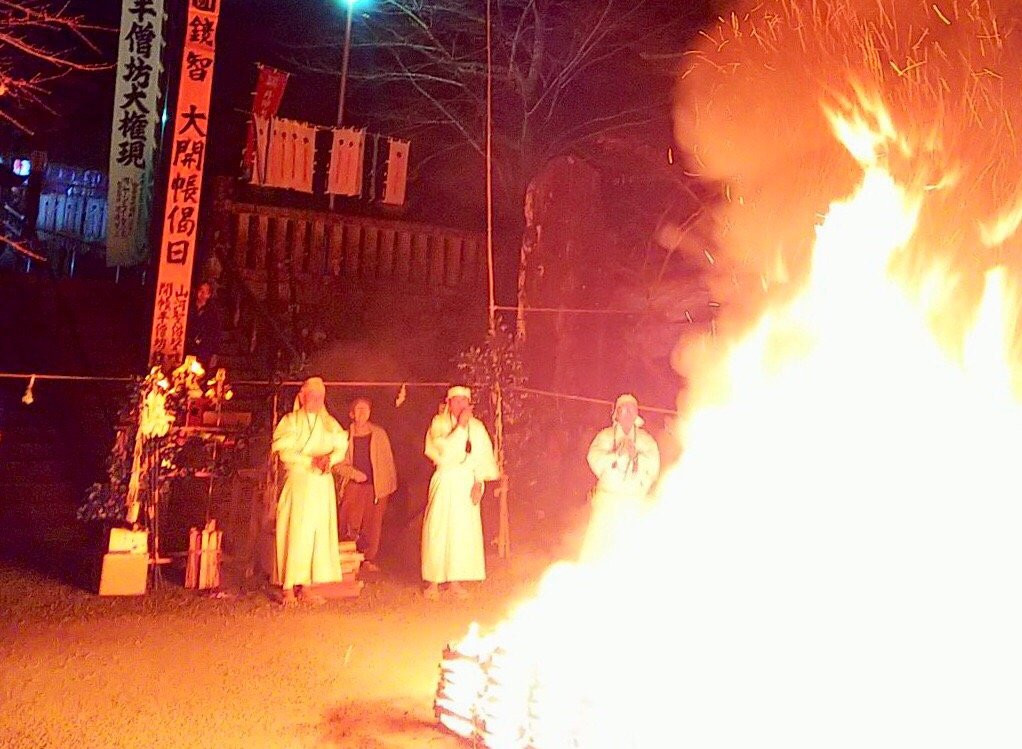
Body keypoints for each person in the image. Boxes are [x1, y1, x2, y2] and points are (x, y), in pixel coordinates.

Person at [272, 377, 348, 605]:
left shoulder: (329, 423)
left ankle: (306, 586)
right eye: (311, 396)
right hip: (299, 482)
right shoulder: (291, 421)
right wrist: (309, 461)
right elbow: (284, 451)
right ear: (303, 397)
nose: (315, 400)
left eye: (319, 397)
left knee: (315, 533)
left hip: (321, 485)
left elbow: (341, 446)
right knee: (295, 531)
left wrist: (329, 460)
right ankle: (287, 587)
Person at [422, 386, 499, 600]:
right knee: (438, 528)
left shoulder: (477, 427)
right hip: (446, 479)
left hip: (466, 483)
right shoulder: (439, 423)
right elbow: (442, 450)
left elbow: (482, 457)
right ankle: (434, 582)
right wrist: (461, 426)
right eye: (456, 401)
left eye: (464, 401)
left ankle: (455, 580)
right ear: (449, 402)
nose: (460, 405)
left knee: (460, 531)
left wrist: (478, 482)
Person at [583, 393, 661, 559]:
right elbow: (594, 459)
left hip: (634, 503)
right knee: (598, 549)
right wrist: (617, 455)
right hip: (608, 502)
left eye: (631, 409)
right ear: (616, 414)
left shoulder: (646, 440)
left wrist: (635, 457)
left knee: (634, 551)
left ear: (636, 414)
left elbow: (653, 469)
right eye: (623, 409)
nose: (627, 413)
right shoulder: (604, 436)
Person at [336, 396, 398, 572]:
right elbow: (338, 463)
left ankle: (368, 559)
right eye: (358, 409)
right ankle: (347, 558)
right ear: (352, 414)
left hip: (375, 487)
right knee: (349, 520)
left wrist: (386, 487)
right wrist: (354, 474)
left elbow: (387, 462)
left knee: (373, 523)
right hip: (354, 485)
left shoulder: (379, 434)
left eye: (366, 409)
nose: (362, 413)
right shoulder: (345, 436)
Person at [186, 281, 223, 368]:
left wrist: (214, 353)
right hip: (188, 346)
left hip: (204, 349)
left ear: (209, 295)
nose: (202, 294)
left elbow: (216, 333)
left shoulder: (213, 311)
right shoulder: (188, 306)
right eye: (200, 291)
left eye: (205, 292)